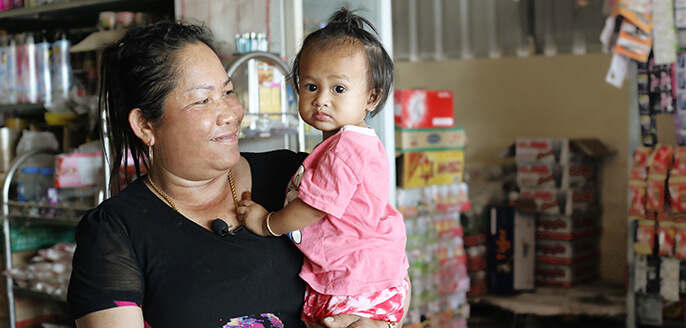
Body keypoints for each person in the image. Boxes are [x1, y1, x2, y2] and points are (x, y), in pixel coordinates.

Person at [66, 20, 408, 328]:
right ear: (145, 125)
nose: (230, 112)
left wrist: (375, 323)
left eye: (228, 92)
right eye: (203, 101)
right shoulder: (114, 232)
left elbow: (382, 261)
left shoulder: (299, 179)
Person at [237, 7, 409, 326]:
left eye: (338, 89)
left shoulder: (346, 148)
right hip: (361, 273)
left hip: (355, 279)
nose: (321, 99)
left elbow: (315, 208)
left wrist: (268, 223)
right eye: (311, 86)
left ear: (371, 97)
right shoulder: (349, 142)